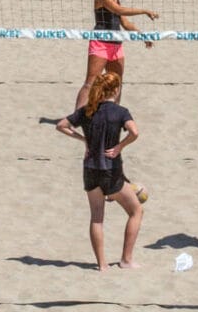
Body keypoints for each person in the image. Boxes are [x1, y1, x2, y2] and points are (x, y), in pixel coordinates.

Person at [56, 72, 144, 271]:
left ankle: (102, 265)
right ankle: (126, 259)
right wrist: (120, 147)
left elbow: (61, 125)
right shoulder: (120, 112)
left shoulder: (88, 110)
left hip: (90, 169)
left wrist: (83, 139)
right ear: (115, 90)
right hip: (110, 170)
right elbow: (135, 132)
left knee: (97, 217)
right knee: (136, 210)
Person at [75, 0, 159, 109]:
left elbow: (125, 23)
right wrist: (144, 10)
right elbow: (117, 10)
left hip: (116, 43)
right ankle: (75, 117)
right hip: (101, 41)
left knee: (116, 83)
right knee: (91, 82)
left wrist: (142, 36)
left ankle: (113, 116)